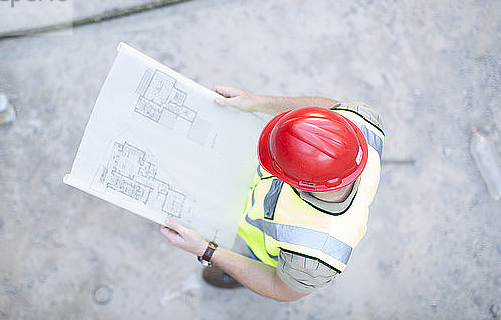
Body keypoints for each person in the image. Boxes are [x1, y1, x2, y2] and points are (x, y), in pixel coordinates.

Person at [160, 86, 384, 302]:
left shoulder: (313, 258)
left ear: (299, 182)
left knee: (262, 263)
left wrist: (207, 251)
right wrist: (258, 101)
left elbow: (280, 288)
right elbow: (330, 110)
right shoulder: (362, 121)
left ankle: (243, 265)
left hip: (272, 251)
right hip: (249, 194)